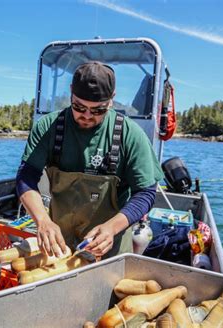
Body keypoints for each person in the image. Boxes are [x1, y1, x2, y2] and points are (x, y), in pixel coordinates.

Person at [16, 61, 163, 259]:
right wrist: (42, 220)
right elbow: (26, 177)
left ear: (112, 100)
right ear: (71, 92)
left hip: (110, 245)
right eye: (78, 106)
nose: (86, 116)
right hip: (60, 244)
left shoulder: (130, 134)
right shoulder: (48, 128)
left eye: (97, 110)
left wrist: (112, 227)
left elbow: (145, 193)